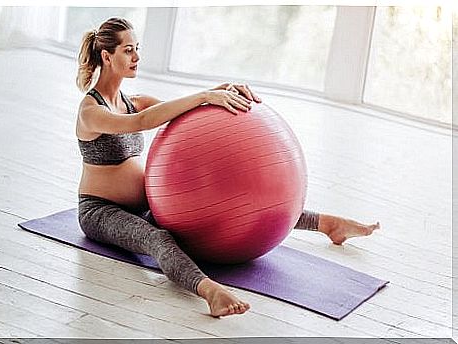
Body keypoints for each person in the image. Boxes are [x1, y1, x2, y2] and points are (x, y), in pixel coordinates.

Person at [75, 17, 380, 318]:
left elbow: (184, 113)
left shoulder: (134, 100)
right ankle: (209, 292)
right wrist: (206, 95)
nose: (137, 56)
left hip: (149, 204)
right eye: (129, 50)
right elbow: (141, 123)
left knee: (228, 211)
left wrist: (217, 92)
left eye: (137, 48)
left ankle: (327, 224)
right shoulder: (91, 111)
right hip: (101, 210)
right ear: (106, 56)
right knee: (157, 239)